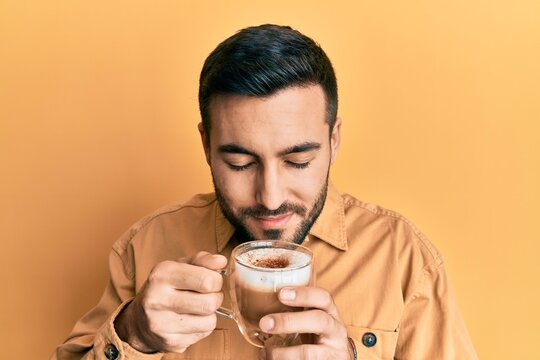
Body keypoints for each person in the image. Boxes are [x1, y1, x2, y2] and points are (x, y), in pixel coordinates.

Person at [52, 24, 478, 359]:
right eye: (240, 163)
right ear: (206, 145)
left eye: (298, 161)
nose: (270, 198)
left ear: (333, 141)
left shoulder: (403, 258)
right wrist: (133, 335)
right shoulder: (145, 247)